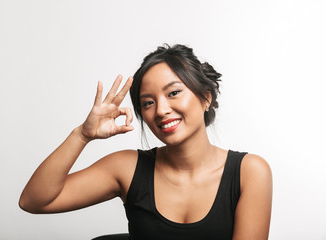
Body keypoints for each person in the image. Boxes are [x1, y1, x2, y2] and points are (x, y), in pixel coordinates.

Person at [19, 44, 272, 239]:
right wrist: (82, 135)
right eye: (148, 103)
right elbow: (34, 200)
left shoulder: (249, 172)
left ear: (205, 97)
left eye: (173, 93)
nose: (161, 110)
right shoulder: (127, 168)